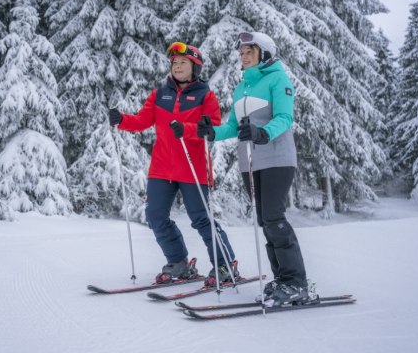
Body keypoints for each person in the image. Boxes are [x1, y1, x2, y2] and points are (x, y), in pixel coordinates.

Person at [196, 32, 313, 306]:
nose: (244, 56)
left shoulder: (277, 79)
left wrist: (262, 133)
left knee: (273, 217)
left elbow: (285, 118)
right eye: (242, 52)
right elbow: (234, 127)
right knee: (264, 220)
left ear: (265, 53)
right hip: (250, 162)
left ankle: (296, 283)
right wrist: (211, 132)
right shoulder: (242, 87)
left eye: (249, 51)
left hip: (277, 158)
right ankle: (282, 280)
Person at [109, 41, 238, 287]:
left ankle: (224, 264)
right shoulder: (160, 95)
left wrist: (186, 130)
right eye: (174, 63)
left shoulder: (206, 96)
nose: (177, 66)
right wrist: (121, 120)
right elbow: (141, 121)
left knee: (201, 218)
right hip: (161, 168)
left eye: (183, 62)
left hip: (193, 167)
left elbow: (212, 127)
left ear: (195, 67)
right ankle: (178, 262)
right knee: (155, 216)